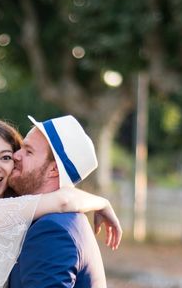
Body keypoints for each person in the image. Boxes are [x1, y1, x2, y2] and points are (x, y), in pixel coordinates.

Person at [0, 116, 121, 288]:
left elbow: (63, 200)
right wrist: (103, 203)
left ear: (54, 170)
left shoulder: (51, 228)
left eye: (6, 156)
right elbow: (63, 200)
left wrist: (102, 203)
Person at [7, 115, 110, 287]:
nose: (15, 155)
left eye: (28, 151)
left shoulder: (51, 230)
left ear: (53, 169)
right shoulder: (63, 219)